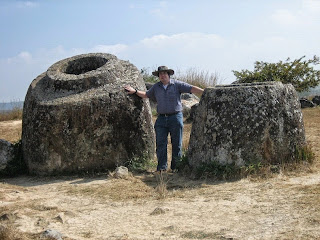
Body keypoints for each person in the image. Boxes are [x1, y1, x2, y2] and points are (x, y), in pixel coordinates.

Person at [124, 66, 204, 172]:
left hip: (176, 117)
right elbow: (146, 94)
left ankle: (176, 168)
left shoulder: (177, 84)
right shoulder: (156, 87)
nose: (162, 75)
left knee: (177, 144)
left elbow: (191, 88)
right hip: (161, 118)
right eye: (160, 74)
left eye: (164, 73)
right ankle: (161, 168)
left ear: (168, 74)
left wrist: (205, 91)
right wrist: (135, 91)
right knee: (161, 143)